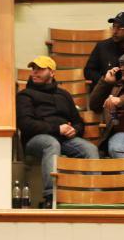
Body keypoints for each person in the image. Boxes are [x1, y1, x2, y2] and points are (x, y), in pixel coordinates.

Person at [17, 56, 99, 207]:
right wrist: (57, 128)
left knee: (90, 148)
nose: (35, 72)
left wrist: (74, 130)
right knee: (51, 143)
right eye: (33, 69)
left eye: (40, 69)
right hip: (35, 139)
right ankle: (51, 196)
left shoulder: (64, 94)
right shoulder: (25, 95)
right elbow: (25, 124)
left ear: (52, 72)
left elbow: (78, 122)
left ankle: (93, 195)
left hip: (64, 138)